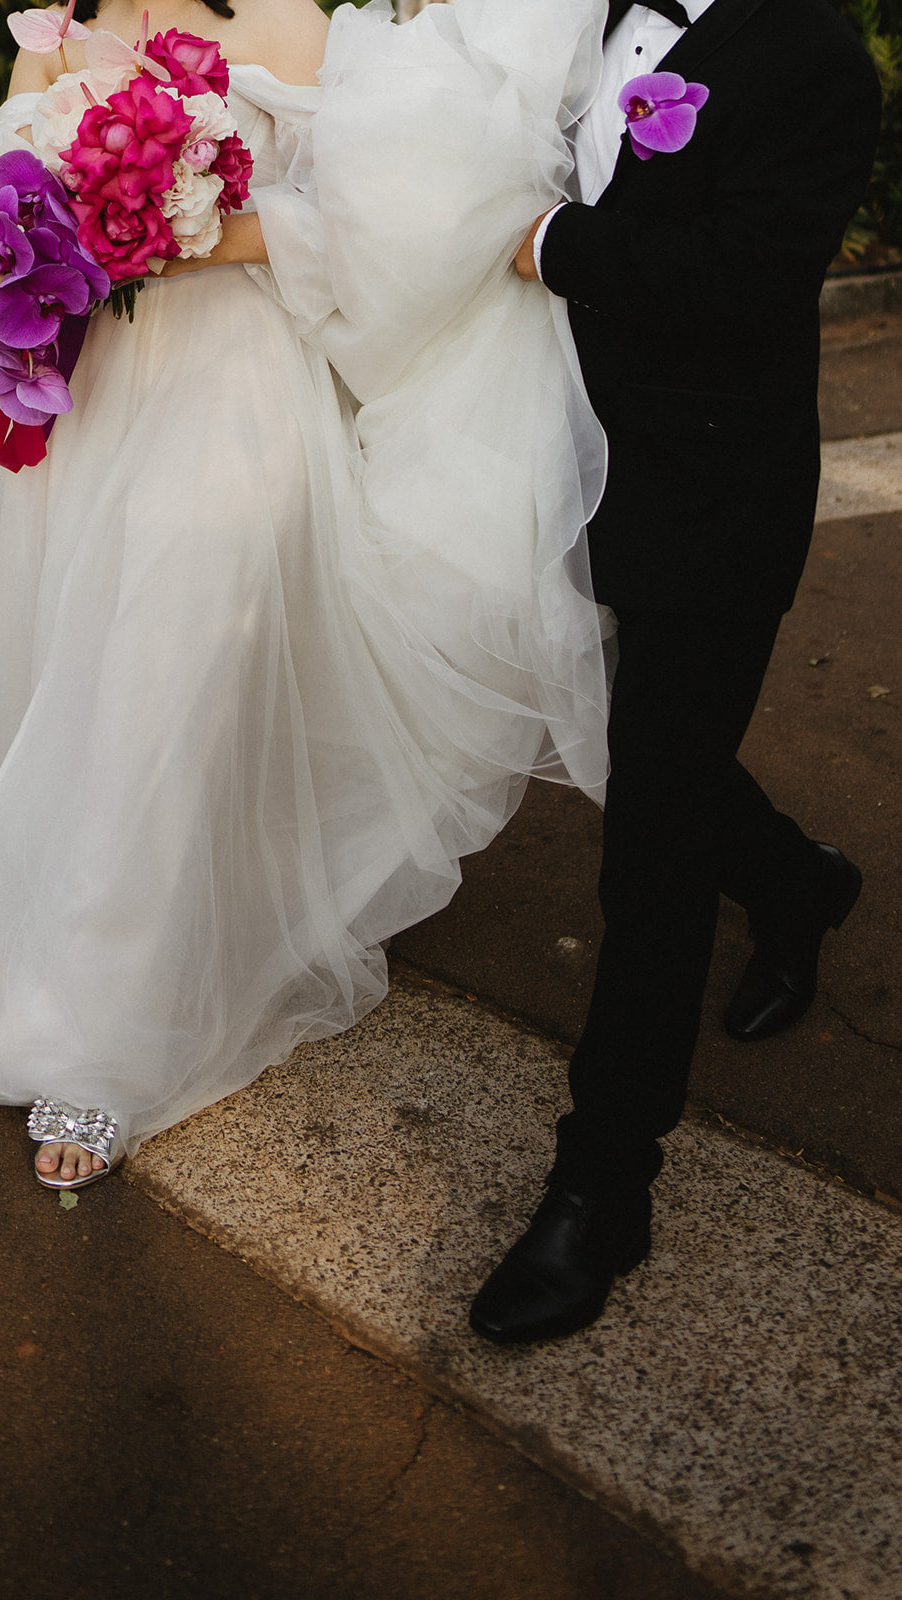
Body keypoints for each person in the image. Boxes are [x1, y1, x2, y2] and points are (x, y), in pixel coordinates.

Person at [0, 0, 612, 1188]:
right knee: (78, 691)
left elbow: (357, 223)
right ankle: (121, 934)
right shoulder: (57, 19)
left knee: (156, 694)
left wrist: (179, 223)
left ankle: (95, 1054)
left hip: (234, 400)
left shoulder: (293, 19)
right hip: (93, 399)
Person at [469, 0, 882, 1344]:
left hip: (713, 491)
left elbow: (740, 279)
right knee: (644, 753)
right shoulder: (566, 19)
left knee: (645, 827)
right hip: (557, 464)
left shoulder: (811, 56)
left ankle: (601, 1186)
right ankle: (793, 883)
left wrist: (542, 243)